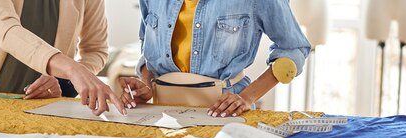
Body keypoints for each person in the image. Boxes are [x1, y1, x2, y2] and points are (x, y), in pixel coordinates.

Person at [119, 0, 311, 118]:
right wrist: (146, 86)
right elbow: (149, 46)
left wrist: (247, 97)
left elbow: (294, 47)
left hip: (225, 116)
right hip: (162, 117)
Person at [0, 0, 124, 116]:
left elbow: (96, 50)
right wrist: (72, 69)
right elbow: (7, 31)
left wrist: (63, 82)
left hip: (40, 107)